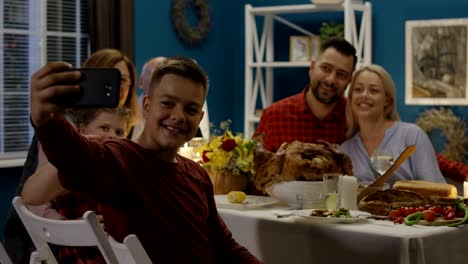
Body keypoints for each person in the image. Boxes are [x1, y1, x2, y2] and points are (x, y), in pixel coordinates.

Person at [28, 57, 261, 263]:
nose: (178, 116)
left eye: (190, 110)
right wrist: (45, 119)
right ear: (147, 106)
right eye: (167, 103)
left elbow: (224, 246)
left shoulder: (197, 174)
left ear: (199, 118)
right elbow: (74, 155)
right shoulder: (120, 158)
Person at [2, 48, 140, 264]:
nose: (116, 88)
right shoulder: (60, 132)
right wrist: (80, 230)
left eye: (123, 80)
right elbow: (33, 202)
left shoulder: (123, 137)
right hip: (53, 243)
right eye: (107, 80)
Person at [21, 106, 131, 263]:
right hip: (82, 254)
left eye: (119, 132)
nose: (112, 136)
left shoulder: (119, 167)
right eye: (104, 128)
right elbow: (30, 196)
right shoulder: (73, 168)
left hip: (115, 251)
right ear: (83, 129)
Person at [339, 64, 446, 186]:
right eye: (358, 89)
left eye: (373, 90)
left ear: (387, 100)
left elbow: (436, 189)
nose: (364, 95)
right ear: (351, 97)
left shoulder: (412, 136)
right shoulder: (345, 150)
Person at [254, 37, 357, 152]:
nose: (331, 80)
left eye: (341, 74)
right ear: (312, 67)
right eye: (326, 68)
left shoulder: (356, 119)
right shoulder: (274, 117)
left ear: (349, 81)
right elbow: (255, 166)